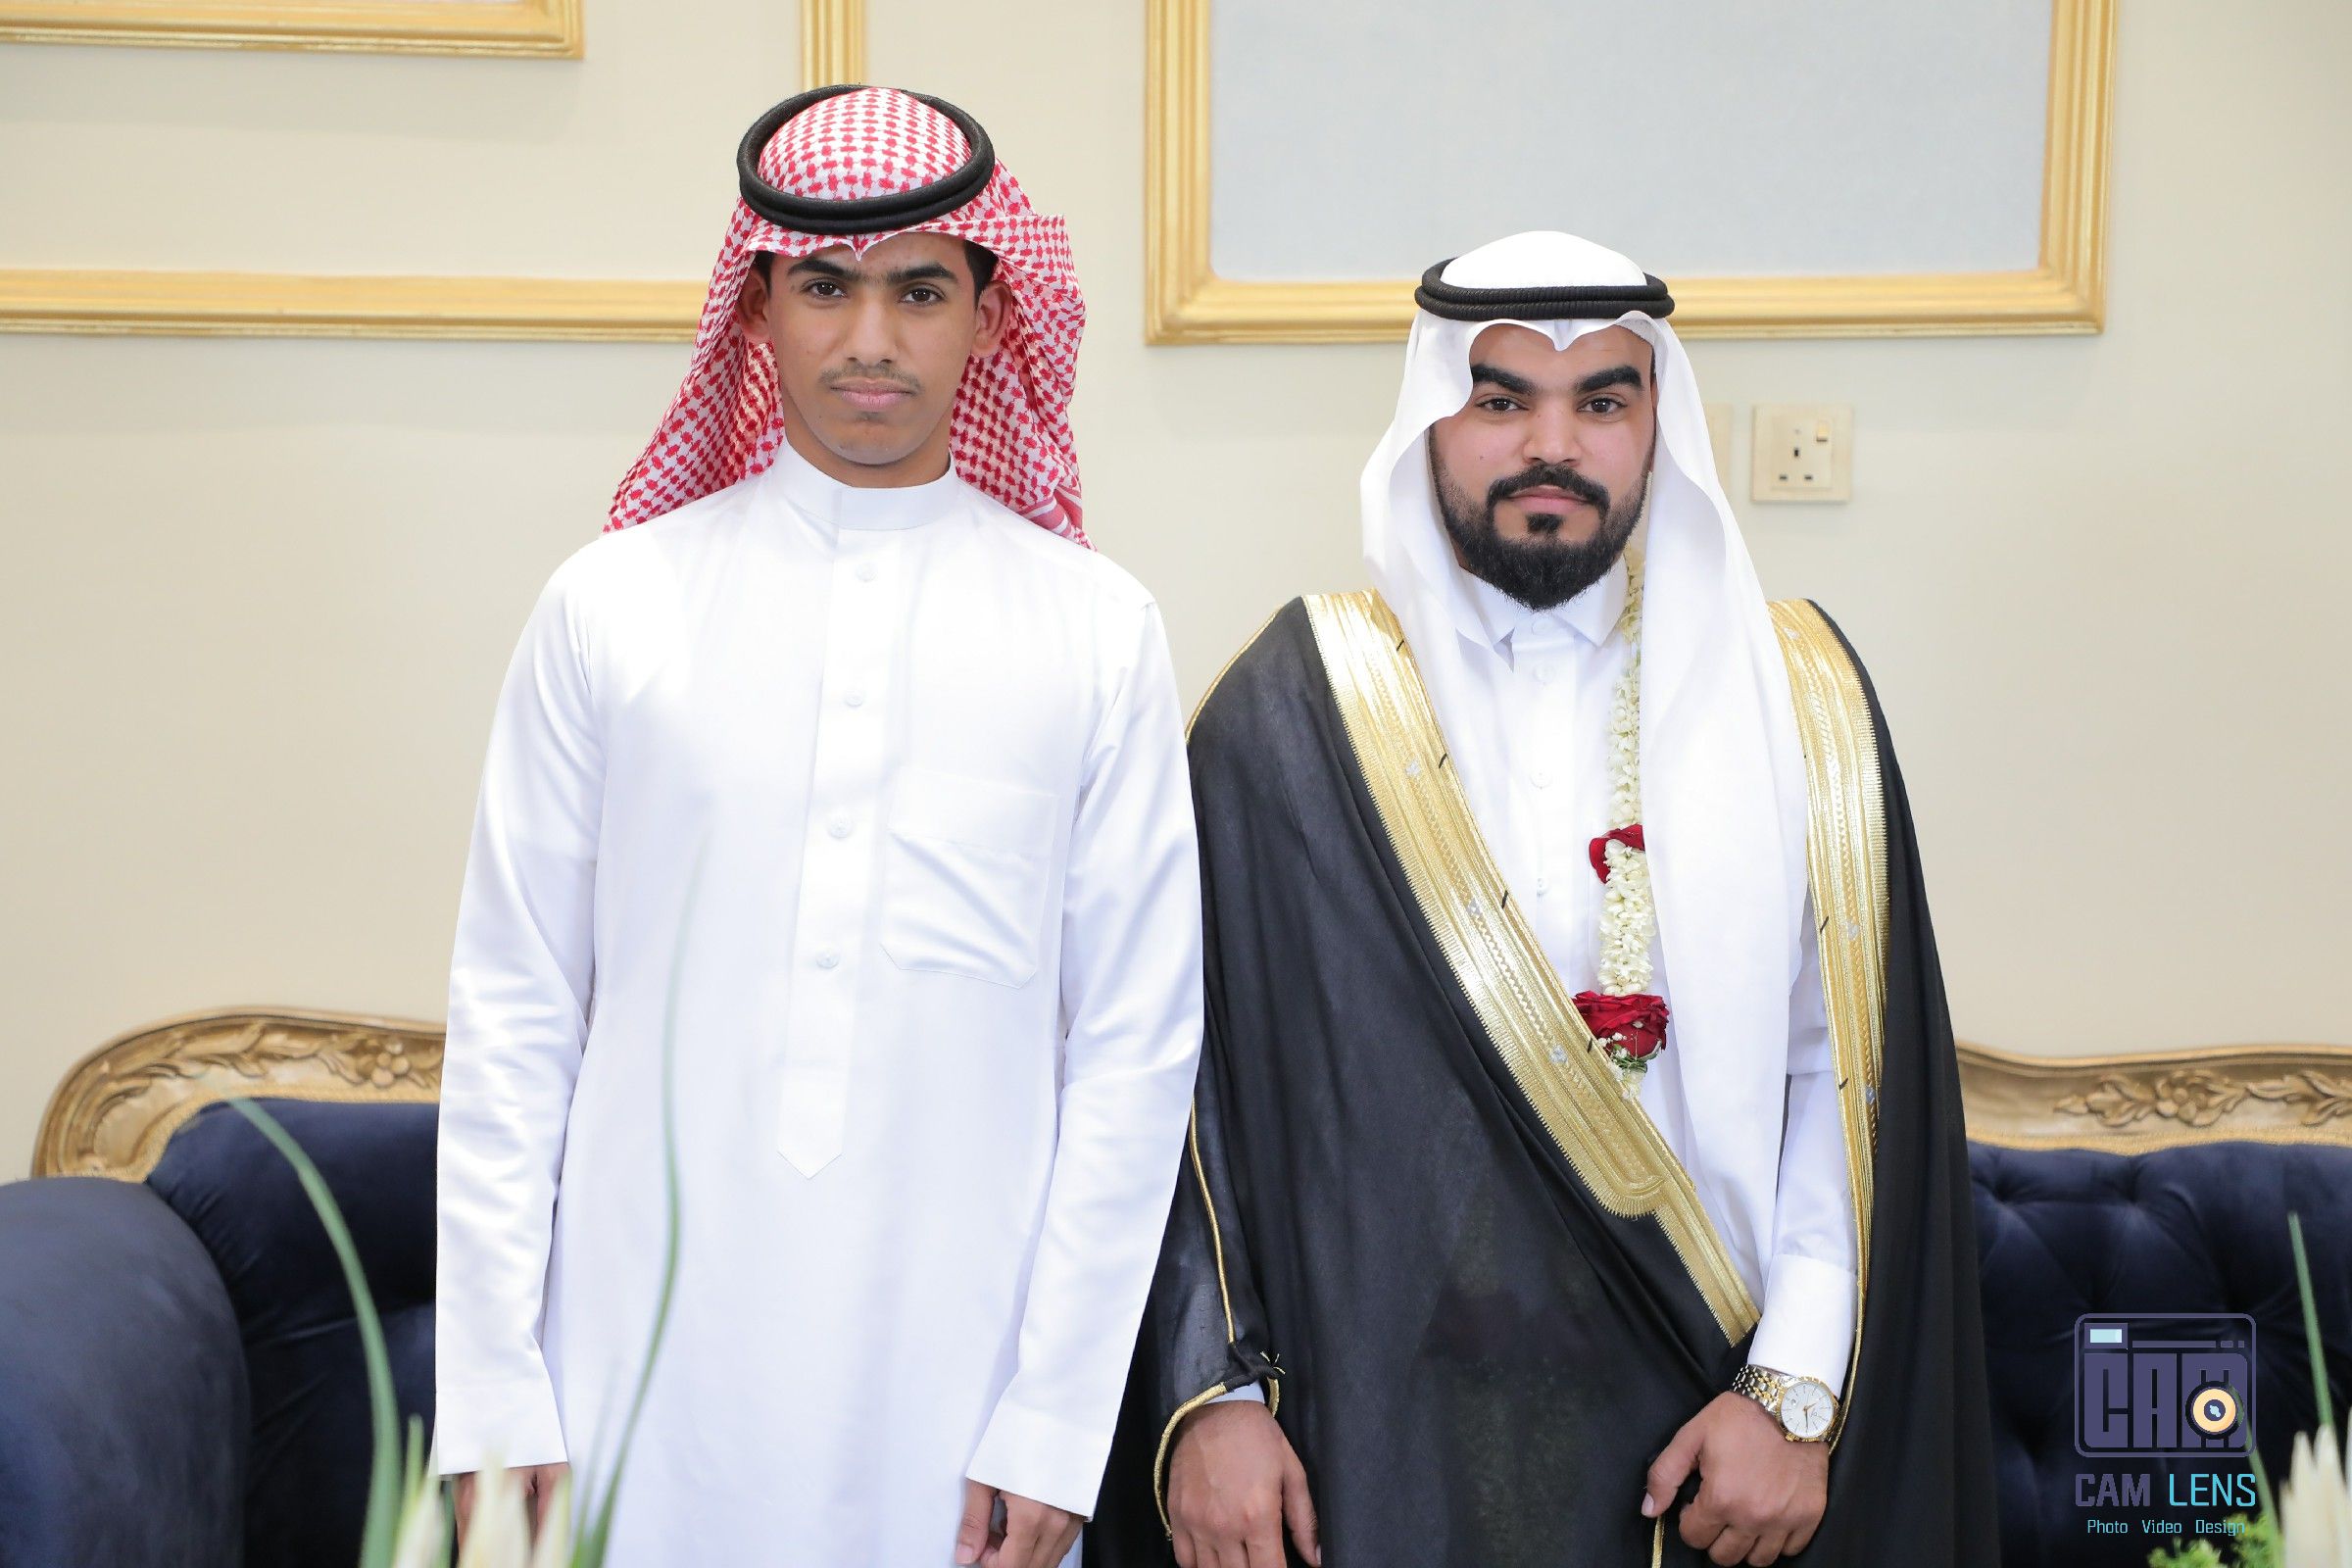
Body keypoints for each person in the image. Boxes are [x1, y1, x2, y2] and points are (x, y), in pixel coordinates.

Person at [1092, 231, 1995, 1567]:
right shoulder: (1294, 706)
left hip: (1708, 1427)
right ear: (1429, 421)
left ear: (1660, 424)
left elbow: (1844, 1083)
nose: (1550, 445)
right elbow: (1178, 1082)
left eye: (1602, 401)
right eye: (1500, 399)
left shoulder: (1792, 705)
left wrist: (1795, 1390)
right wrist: (1213, 1400)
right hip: (1370, 1430)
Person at [435, 85, 1203, 1568]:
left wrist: (1057, 1419)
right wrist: (489, 1392)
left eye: (920, 291)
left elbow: (1132, 1049)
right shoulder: (612, 608)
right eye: (826, 287)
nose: (870, 339)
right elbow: (516, 1009)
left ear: (990, 315)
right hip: (632, 1375)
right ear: (758, 308)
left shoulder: (1096, 631)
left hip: (959, 1398)